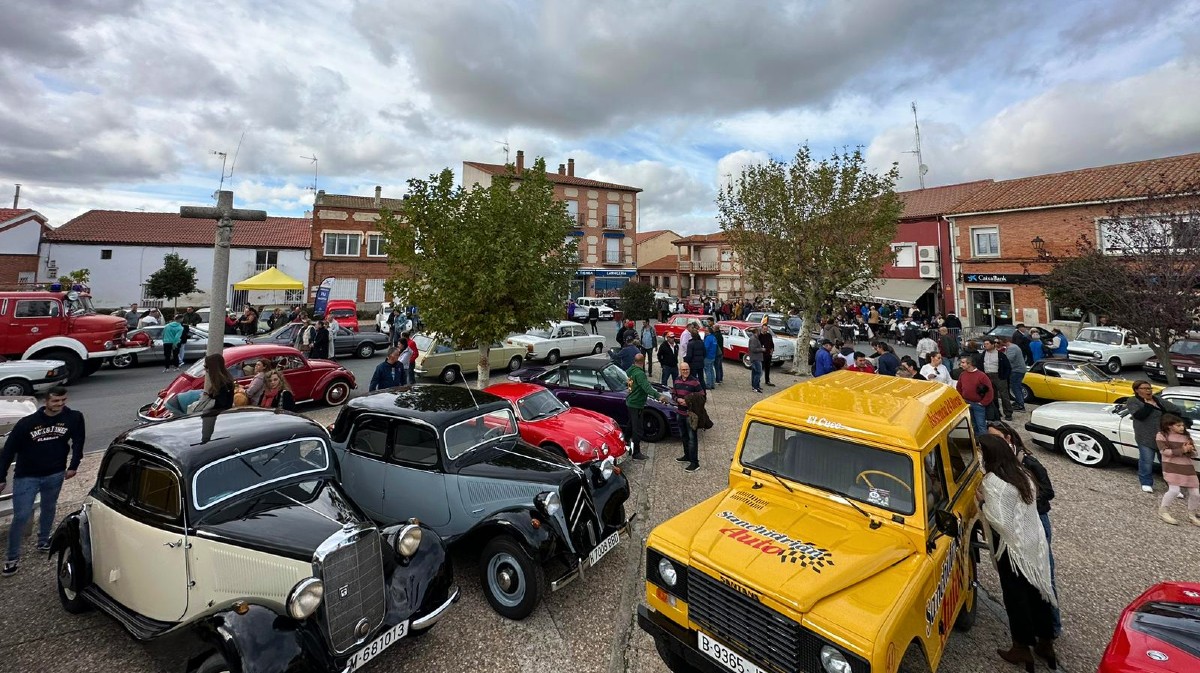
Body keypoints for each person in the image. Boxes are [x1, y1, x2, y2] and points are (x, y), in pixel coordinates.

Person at [976, 434, 1058, 671]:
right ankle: (1045, 642)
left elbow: (999, 520)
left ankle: (1021, 646)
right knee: (1039, 592)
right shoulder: (1023, 474)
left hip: (1010, 548)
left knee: (1016, 598)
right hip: (1033, 545)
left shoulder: (993, 482)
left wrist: (981, 503)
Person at [0, 386, 85, 576]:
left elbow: (78, 441)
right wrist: (2, 476)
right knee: (21, 515)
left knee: (49, 506)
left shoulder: (74, 417)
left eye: (63, 400)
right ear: (46, 401)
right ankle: (12, 557)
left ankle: (44, 540)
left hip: (55, 473)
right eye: (56, 401)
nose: (60, 404)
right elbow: (9, 450)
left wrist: (74, 465)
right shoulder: (26, 423)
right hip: (26, 475)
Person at [988, 420, 1061, 636]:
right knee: (1026, 576)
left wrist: (1024, 509)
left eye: (995, 437)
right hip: (1017, 525)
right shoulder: (1001, 462)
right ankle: (1040, 630)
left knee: (1043, 570)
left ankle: (1052, 627)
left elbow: (1048, 492)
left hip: (1036, 522)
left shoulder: (1029, 462)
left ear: (1008, 438)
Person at [1126, 380, 1181, 493]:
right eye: (1145, 388)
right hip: (1146, 437)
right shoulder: (1133, 401)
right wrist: (1148, 406)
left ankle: (1173, 485)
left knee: (1167, 462)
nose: (1148, 390)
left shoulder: (1158, 400)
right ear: (1137, 390)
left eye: (1149, 388)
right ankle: (1146, 482)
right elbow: (1139, 416)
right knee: (1146, 461)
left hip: (1164, 437)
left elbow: (1176, 410)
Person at [1154, 414, 1200, 526]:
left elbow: (1194, 454)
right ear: (1169, 426)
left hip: (1187, 467)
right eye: (1178, 425)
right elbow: (1164, 452)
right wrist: (1182, 449)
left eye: (1182, 425)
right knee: (1174, 490)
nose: (1182, 428)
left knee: (1196, 494)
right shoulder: (1161, 435)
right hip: (1171, 467)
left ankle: (1192, 514)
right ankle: (1163, 511)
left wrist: (1189, 450)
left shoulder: (1186, 436)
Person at [625, 354, 668, 460]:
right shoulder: (640, 374)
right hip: (636, 404)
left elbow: (629, 385)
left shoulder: (630, 370)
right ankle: (636, 452)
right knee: (637, 429)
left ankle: (625, 442)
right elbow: (646, 387)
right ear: (643, 362)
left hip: (630, 402)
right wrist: (659, 396)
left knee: (630, 425)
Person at [166, 354, 235, 417]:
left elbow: (221, 402)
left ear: (213, 367)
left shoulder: (222, 383)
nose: (205, 369)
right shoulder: (225, 380)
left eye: (206, 367)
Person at [672, 362, 705, 473]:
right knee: (684, 436)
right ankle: (687, 456)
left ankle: (695, 463)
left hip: (690, 415)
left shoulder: (695, 382)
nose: (685, 371)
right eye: (683, 370)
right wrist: (677, 400)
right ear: (680, 370)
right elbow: (673, 394)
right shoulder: (676, 380)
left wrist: (689, 400)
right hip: (679, 413)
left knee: (692, 439)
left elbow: (702, 395)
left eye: (687, 369)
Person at [976, 337, 1013, 421]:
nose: (985, 346)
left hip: (998, 376)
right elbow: (980, 365)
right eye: (984, 344)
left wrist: (1004, 376)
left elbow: (1007, 367)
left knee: (1004, 395)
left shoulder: (1000, 355)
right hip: (987, 376)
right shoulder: (983, 354)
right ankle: (996, 412)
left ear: (993, 344)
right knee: (992, 395)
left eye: (987, 344)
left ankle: (1008, 413)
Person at [957, 356, 993, 434]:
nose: (961, 364)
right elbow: (959, 387)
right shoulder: (962, 374)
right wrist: (961, 399)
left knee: (981, 425)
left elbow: (989, 391)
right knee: (973, 425)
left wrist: (983, 403)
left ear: (969, 364)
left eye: (963, 362)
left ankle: (985, 443)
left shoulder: (981, 376)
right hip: (967, 404)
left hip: (978, 405)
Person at [1005, 335, 1029, 412]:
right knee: (1017, 387)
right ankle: (1019, 401)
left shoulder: (1012, 348)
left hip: (1017, 370)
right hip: (1019, 370)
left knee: (1015, 387)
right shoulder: (1014, 347)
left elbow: (1008, 360)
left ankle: (1020, 405)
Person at [684, 324, 707, 390]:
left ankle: (694, 392)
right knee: (701, 379)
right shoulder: (701, 342)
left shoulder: (690, 344)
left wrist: (686, 362)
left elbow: (689, 355)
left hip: (693, 364)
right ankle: (703, 393)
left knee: (693, 379)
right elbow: (704, 353)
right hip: (700, 363)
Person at [708, 318, 725, 385]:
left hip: (717, 353)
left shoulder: (715, 336)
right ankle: (720, 378)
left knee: (717, 367)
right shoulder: (720, 335)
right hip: (721, 353)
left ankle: (718, 379)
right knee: (720, 366)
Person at [747, 326, 764, 392]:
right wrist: (761, 349)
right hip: (755, 358)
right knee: (758, 372)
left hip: (757, 357)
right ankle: (755, 387)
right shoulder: (753, 339)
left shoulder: (756, 338)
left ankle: (756, 386)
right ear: (757, 332)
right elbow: (753, 349)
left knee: (755, 372)